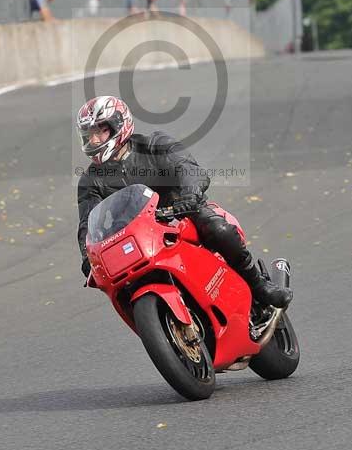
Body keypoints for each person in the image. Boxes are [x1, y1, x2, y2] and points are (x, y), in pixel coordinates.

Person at [75, 96, 292, 309]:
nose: (94, 140)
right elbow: (87, 222)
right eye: (89, 134)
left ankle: (259, 286)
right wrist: (88, 257)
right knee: (119, 281)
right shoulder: (90, 180)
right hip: (136, 235)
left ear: (119, 126)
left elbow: (187, 168)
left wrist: (189, 195)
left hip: (180, 213)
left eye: (100, 131)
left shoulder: (155, 145)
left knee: (218, 229)